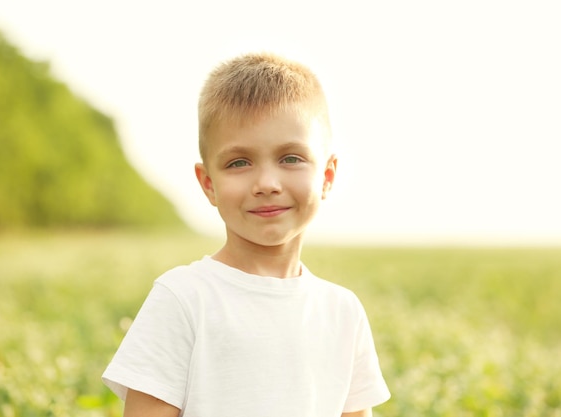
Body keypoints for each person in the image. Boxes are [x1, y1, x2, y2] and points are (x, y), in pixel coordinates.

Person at [102, 52, 390, 417]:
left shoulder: (342, 311)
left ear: (327, 177)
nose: (267, 184)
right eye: (239, 162)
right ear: (209, 184)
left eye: (291, 158)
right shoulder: (183, 299)